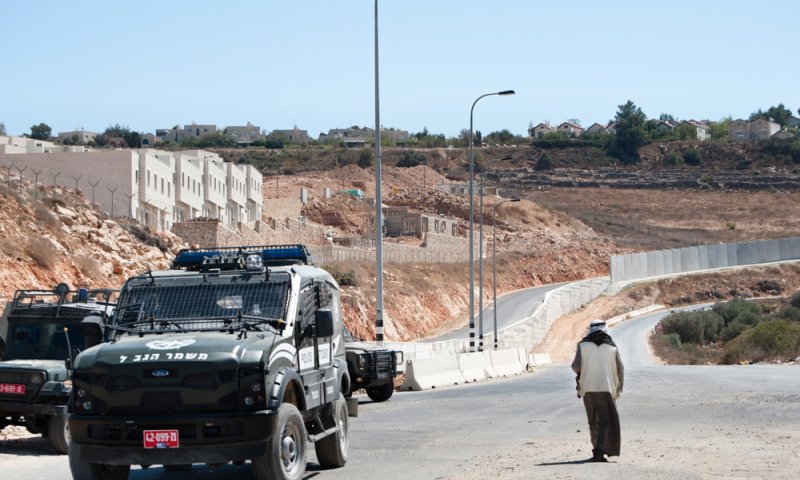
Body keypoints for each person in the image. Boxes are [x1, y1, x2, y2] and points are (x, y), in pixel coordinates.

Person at [571, 319, 624, 463]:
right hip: (606, 388)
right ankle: (600, 451)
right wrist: (619, 387)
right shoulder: (611, 346)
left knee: (593, 419)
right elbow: (620, 369)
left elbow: (576, 367)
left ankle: (597, 449)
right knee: (605, 420)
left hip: (588, 388)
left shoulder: (582, 345)